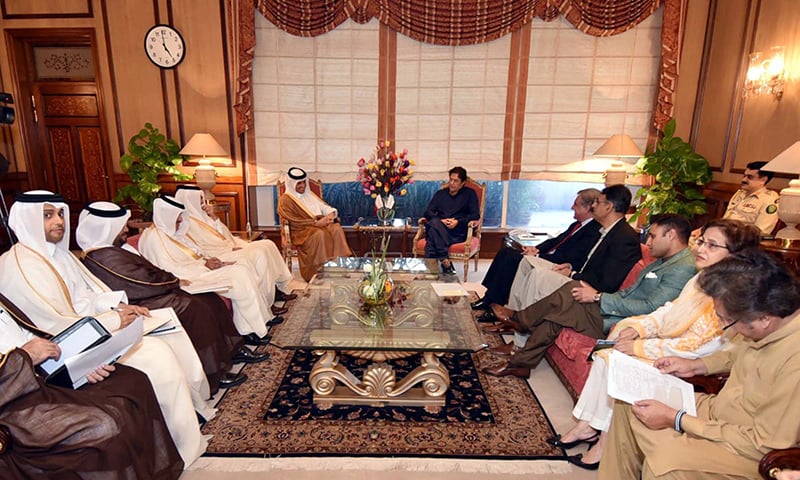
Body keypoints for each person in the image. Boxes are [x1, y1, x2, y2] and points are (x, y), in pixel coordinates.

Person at [0, 190, 211, 465]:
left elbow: (86, 295)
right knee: (156, 354)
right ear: (27, 220)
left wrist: (117, 307)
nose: (59, 221)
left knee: (166, 328)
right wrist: (112, 321)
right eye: (48, 215)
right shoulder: (19, 265)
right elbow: (52, 323)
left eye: (61, 214)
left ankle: (189, 413)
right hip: (66, 345)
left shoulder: (58, 255)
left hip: (90, 328)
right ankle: (179, 435)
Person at [551, 219, 761, 470]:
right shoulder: (702, 278)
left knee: (618, 360)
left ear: (737, 255)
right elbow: (668, 311)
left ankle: (604, 441)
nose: (700, 249)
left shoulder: (736, 294)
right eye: (702, 241)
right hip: (672, 344)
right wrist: (638, 328)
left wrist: (640, 348)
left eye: (712, 245)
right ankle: (587, 425)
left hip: (691, 358)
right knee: (609, 351)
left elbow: (698, 346)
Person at [599, 249, 800, 480]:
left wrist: (677, 418)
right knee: (630, 402)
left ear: (764, 319)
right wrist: (696, 365)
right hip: (719, 412)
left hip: (746, 446)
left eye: (726, 321)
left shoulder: (794, 358)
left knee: (666, 465)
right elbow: (738, 355)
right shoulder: (766, 321)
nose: (726, 328)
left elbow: (763, 443)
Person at [76, 201, 267, 392]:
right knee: (195, 309)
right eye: (121, 226)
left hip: (152, 292)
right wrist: (174, 281)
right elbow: (142, 280)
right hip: (142, 300)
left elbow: (147, 274)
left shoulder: (112, 250)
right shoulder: (102, 255)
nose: (126, 229)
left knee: (210, 298)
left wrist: (172, 281)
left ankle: (232, 351)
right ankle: (213, 373)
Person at [482, 214, 697, 379]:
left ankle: (520, 322)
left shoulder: (682, 269)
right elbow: (628, 292)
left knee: (566, 299)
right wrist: (601, 296)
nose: (648, 242)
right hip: (615, 308)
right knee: (563, 306)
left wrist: (599, 298)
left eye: (653, 236)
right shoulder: (666, 259)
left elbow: (651, 307)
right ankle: (521, 360)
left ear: (670, 235)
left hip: (627, 323)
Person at [0, 293, 185, 478]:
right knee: (105, 424)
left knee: (132, 380)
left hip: (30, 378)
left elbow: (32, 337)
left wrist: (76, 365)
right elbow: (24, 355)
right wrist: (24, 356)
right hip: (11, 403)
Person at [138, 196, 281, 342]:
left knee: (242, 265)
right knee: (239, 274)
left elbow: (198, 253)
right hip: (189, 278)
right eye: (177, 217)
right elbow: (169, 270)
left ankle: (255, 323)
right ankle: (249, 331)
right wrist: (204, 266)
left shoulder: (177, 233)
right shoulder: (153, 239)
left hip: (201, 270)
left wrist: (214, 261)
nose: (181, 220)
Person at [498, 184, 642, 316]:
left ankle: (521, 321)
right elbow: (585, 259)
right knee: (527, 262)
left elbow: (607, 283)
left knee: (538, 275)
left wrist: (573, 274)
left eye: (597, 202)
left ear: (609, 207)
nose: (593, 206)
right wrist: (570, 266)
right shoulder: (605, 229)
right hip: (578, 274)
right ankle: (514, 312)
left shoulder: (624, 238)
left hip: (588, 288)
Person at [471, 188, 602, 314]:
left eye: (576, 204)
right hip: (549, 257)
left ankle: (496, 303)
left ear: (587, 208)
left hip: (558, 265)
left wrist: (538, 256)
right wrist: (536, 248)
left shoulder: (594, 230)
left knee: (511, 260)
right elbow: (556, 240)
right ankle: (489, 296)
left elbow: (572, 257)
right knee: (505, 252)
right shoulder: (577, 224)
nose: (572, 207)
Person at [174, 184, 296, 310]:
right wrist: (228, 248)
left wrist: (214, 218)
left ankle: (275, 290)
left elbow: (224, 235)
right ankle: (267, 301)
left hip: (228, 247)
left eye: (202, 199)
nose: (202, 203)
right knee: (259, 253)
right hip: (219, 254)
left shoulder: (203, 216)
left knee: (268, 244)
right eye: (199, 200)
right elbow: (202, 248)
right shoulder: (186, 223)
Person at [277, 167, 352, 281]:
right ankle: (319, 271)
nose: (303, 186)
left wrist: (331, 214)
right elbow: (293, 220)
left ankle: (338, 267)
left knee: (336, 229)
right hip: (301, 230)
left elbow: (323, 207)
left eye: (303, 182)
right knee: (319, 234)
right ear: (292, 184)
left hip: (318, 224)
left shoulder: (309, 194)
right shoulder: (286, 200)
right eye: (299, 184)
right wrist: (315, 223)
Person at [420, 166, 480, 275]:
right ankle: (445, 260)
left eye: (456, 181)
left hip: (457, 231)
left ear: (463, 183)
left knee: (433, 229)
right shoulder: (440, 194)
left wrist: (458, 222)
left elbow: (475, 214)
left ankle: (432, 268)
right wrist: (441, 221)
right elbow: (428, 212)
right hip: (441, 227)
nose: (452, 183)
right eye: (450, 180)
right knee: (435, 224)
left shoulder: (470, 194)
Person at [722, 160, 779, 235]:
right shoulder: (740, 193)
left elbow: (761, 232)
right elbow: (726, 218)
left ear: (763, 179)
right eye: (744, 176)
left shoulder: (770, 199)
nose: (744, 180)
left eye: (750, 177)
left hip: (741, 241)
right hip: (724, 234)